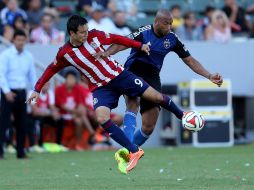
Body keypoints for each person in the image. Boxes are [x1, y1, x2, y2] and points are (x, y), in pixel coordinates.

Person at [26, 15, 222, 173]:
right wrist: (36, 88)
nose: (86, 34)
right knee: (102, 118)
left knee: (155, 100)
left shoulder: (95, 35)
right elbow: (51, 69)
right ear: (72, 33)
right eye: (82, 32)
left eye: (87, 31)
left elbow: (117, 39)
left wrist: (136, 46)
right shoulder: (65, 53)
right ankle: (133, 151)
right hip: (101, 87)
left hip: (120, 75)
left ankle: (183, 115)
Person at [99, 9, 223, 160]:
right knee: (133, 103)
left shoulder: (172, 39)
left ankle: (127, 152)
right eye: (166, 24)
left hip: (152, 75)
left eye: (171, 24)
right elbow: (122, 44)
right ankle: (129, 150)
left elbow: (190, 60)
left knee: (148, 126)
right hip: (134, 70)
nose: (169, 27)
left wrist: (209, 75)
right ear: (156, 22)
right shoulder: (143, 32)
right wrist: (106, 53)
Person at [0, 29, 37, 159]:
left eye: (23, 40)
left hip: (22, 93)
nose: (20, 42)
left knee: (22, 124)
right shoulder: (6, 55)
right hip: (8, 93)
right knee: (3, 124)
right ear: (13, 40)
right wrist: (6, 91)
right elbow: (1, 74)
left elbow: (32, 76)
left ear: (26, 41)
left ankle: (20, 152)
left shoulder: (28, 56)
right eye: (18, 40)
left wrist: (35, 91)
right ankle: (0, 152)